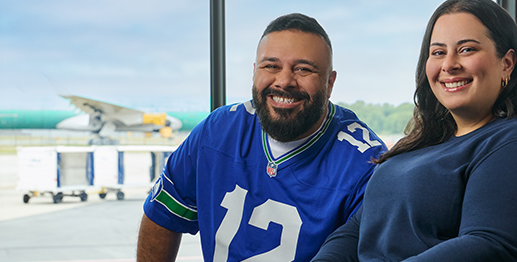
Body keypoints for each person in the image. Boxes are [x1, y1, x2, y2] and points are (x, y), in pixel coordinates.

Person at [312, 0, 517, 261]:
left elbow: (492, 247)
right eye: (438, 52)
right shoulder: (423, 144)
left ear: (507, 63)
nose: (449, 64)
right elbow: (359, 228)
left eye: (467, 49)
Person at [137, 13, 387, 262]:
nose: (284, 81)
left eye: (303, 69)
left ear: (329, 83)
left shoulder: (366, 163)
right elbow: (162, 214)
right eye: (271, 66)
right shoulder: (217, 130)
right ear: (254, 72)